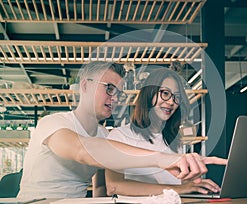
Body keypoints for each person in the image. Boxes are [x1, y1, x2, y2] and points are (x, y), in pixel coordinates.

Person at [17, 61, 221, 199]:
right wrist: (163, 159)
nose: (115, 98)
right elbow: (82, 151)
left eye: (119, 93)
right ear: (85, 86)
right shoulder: (52, 122)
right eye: (109, 88)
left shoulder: (104, 135)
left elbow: (100, 188)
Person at [102, 68, 227, 196]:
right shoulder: (119, 136)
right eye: (165, 93)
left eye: (176, 97)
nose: (172, 102)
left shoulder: (174, 140)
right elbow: (114, 186)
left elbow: (172, 185)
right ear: (149, 94)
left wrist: (191, 185)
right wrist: (179, 189)